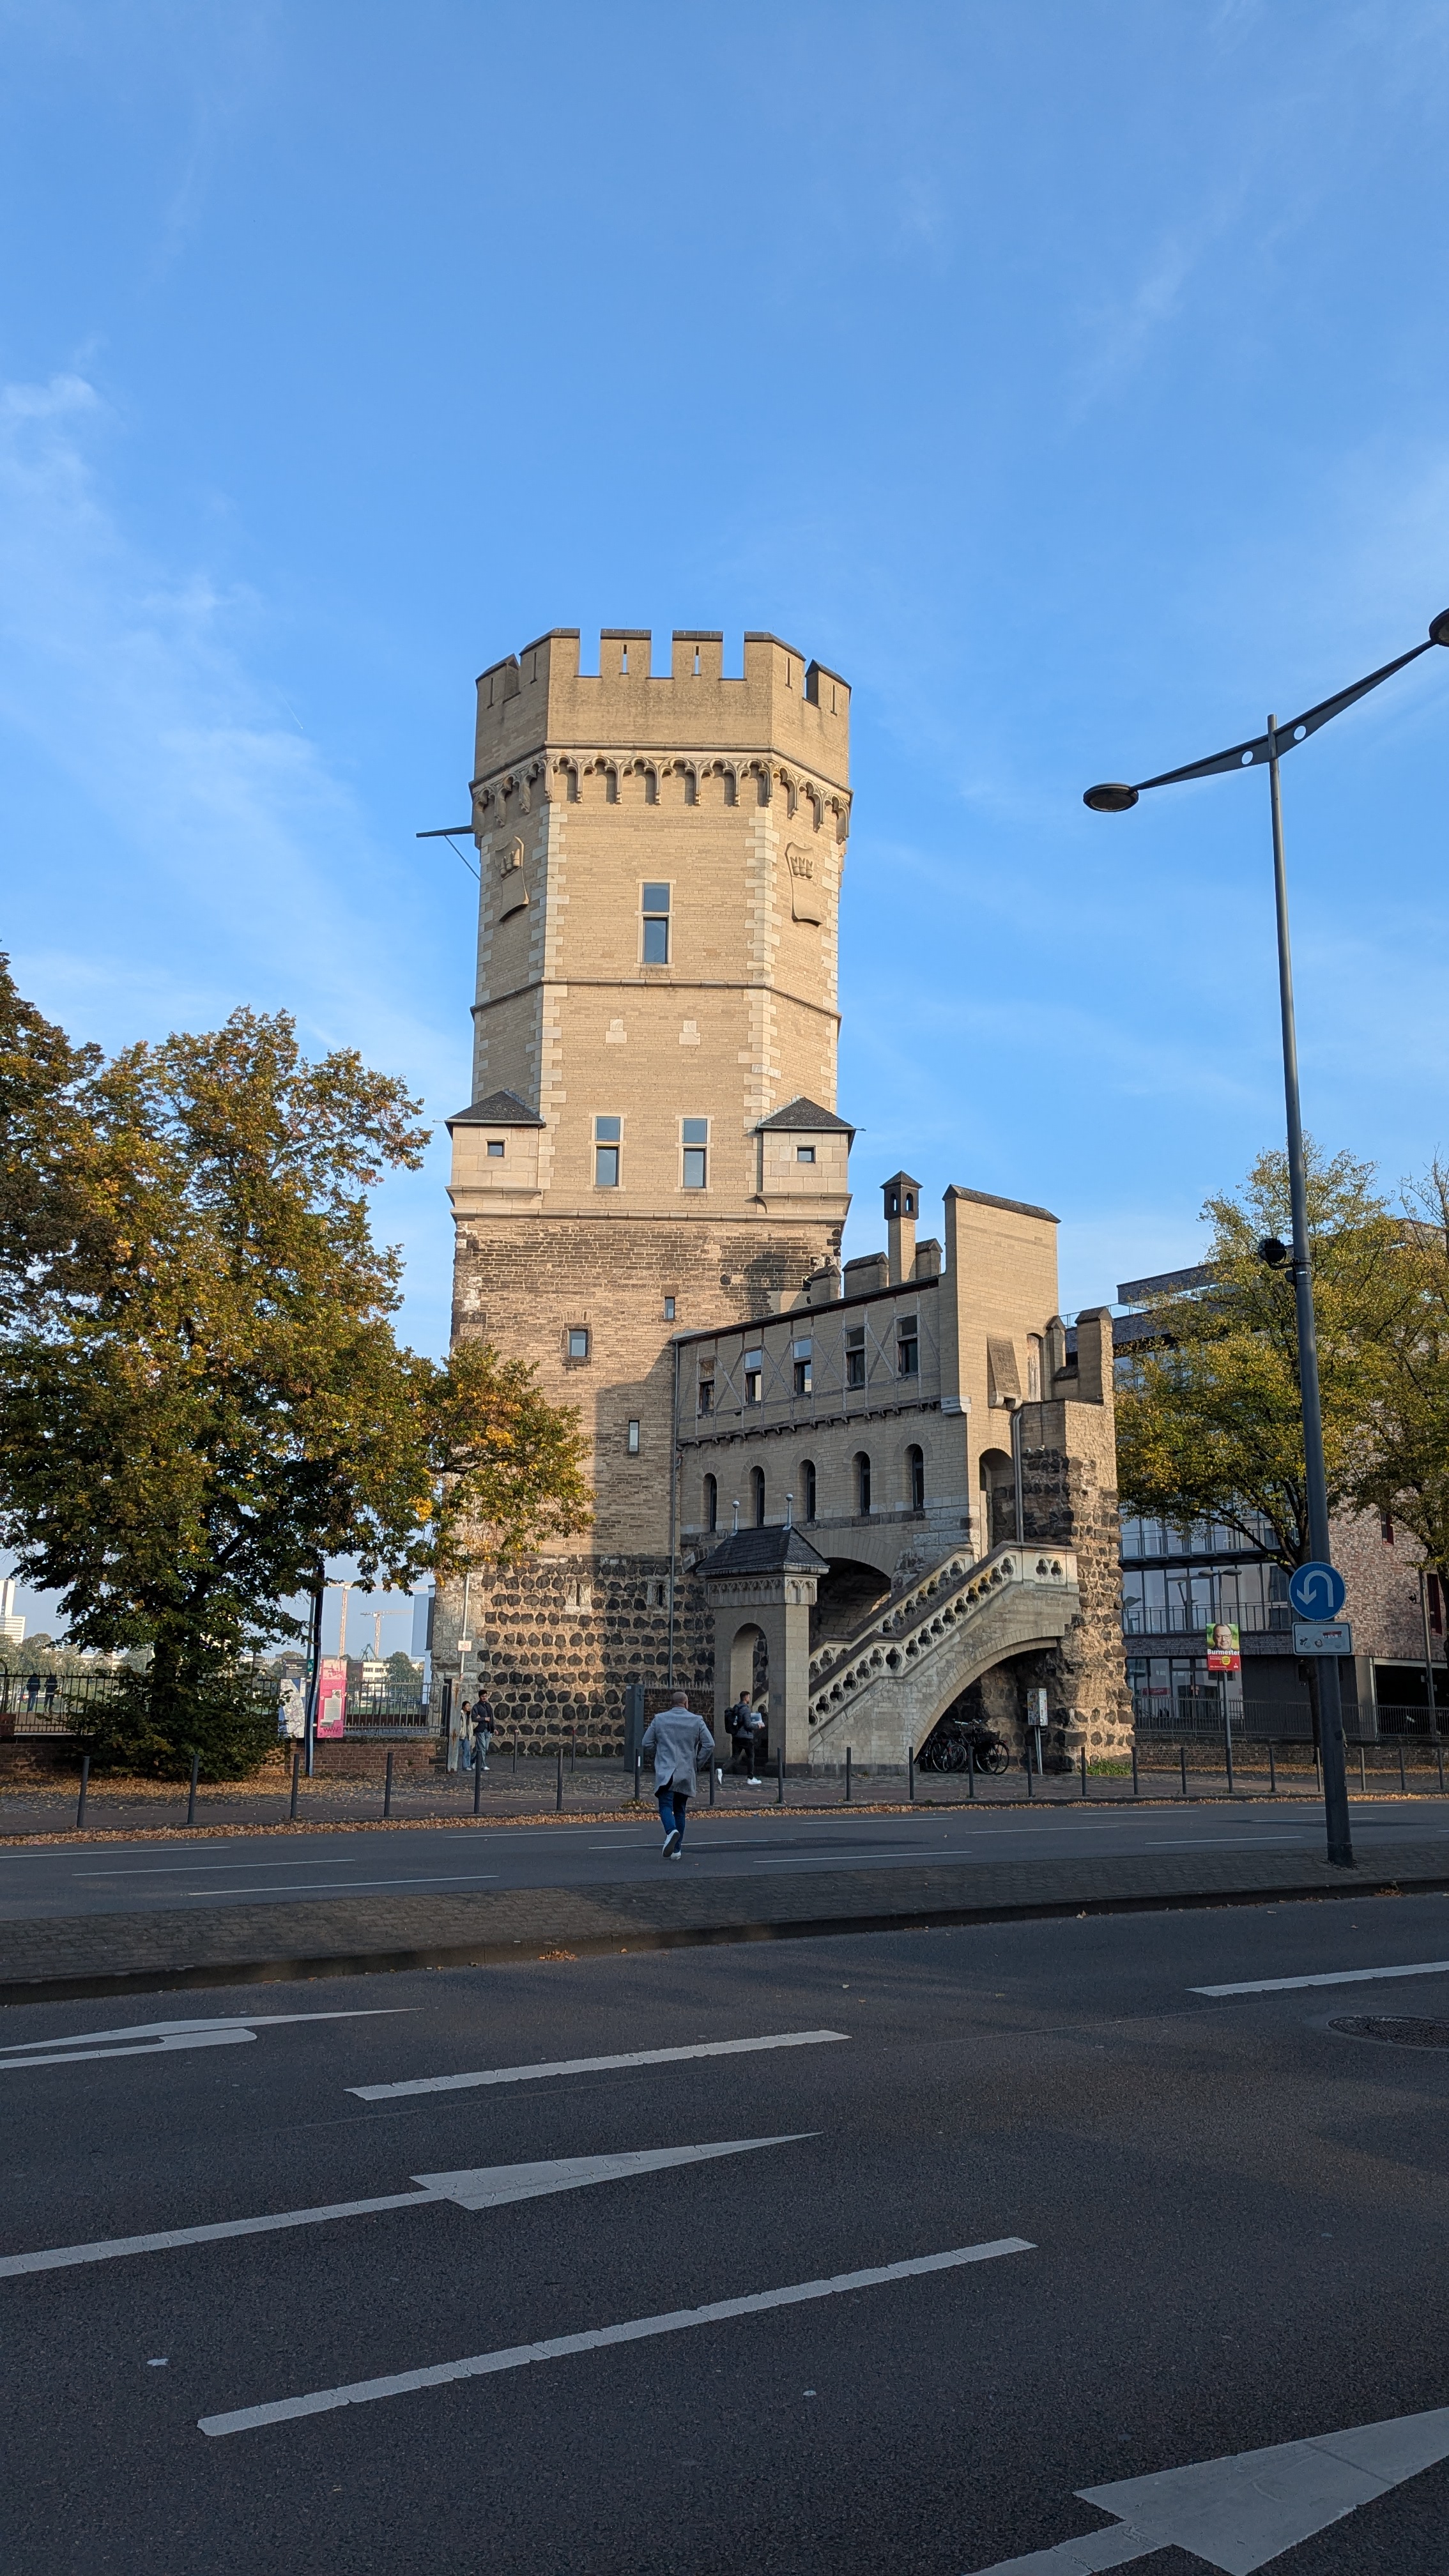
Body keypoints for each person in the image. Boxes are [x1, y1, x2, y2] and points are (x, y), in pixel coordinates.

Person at [640, 1690, 717, 1860]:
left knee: (665, 1805)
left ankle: (670, 1831)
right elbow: (709, 1744)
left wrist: (659, 1755)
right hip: (686, 1772)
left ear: (671, 1703)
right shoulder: (697, 1721)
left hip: (666, 1771)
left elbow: (646, 1743)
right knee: (680, 1810)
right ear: (687, 1703)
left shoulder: (659, 1719)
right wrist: (697, 1763)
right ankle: (677, 1850)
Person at [471, 1691, 493, 1772]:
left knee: (484, 1748)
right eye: (483, 1696)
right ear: (480, 1697)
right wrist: (484, 1719)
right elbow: (474, 1718)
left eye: (485, 1696)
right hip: (480, 1730)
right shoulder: (476, 1707)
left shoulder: (488, 1706)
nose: (484, 1697)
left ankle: (472, 1760)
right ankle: (483, 1765)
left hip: (488, 1730)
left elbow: (491, 1718)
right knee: (482, 1747)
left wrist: (494, 1728)